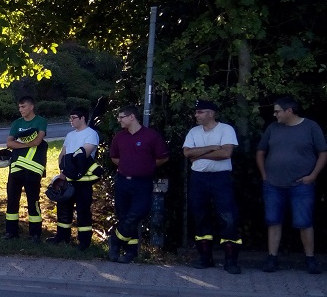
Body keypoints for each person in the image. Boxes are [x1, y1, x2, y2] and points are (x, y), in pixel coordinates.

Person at [256, 96, 327, 275]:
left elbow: (323, 153)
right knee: (273, 221)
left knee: (304, 222)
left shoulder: (311, 127)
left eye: (277, 111)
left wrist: (313, 176)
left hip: (301, 184)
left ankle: (310, 259)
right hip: (273, 183)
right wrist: (265, 175)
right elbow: (260, 151)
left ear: (289, 111)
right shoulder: (273, 128)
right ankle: (272, 258)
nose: (275, 114)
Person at [182, 100, 242, 274]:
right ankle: (204, 257)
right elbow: (187, 153)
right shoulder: (193, 131)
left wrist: (199, 154)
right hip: (198, 179)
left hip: (221, 178)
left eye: (200, 112)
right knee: (200, 216)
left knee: (228, 218)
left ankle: (231, 260)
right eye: (196, 112)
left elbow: (226, 153)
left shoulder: (226, 129)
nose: (196, 115)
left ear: (211, 113)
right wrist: (211, 148)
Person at [108, 105, 169, 263]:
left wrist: (146, 166)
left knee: (136, 214)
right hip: (123, 181)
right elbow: (114, 157)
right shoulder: (119, 137)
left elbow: (163, 157)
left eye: (121, 117)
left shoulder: (151, 136)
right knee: (124, 217)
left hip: (142, 183)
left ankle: (115, 240)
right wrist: (127, 165)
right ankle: (130, 252)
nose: (119, 120)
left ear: (132, 117)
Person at [48, 106, 102, 249]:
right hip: (67, 178)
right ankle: (62, 236)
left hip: (83, 181)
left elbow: (83, 155)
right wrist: (62, 171)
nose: (70, 120)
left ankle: (84, 241)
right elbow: (62, 155)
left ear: (82, 118)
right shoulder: (70, 135)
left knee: (83, 210)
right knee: (63, 208)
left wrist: (68, 164)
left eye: (73, 118)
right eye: (70, 118)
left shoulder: (91, 134)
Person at [3, 97, 48, 241]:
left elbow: (38, 141)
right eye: (19, 107)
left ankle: (35, 234)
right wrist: (27, 144)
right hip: (16, 168)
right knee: (12, 200)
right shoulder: (17, 123)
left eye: (23, 107)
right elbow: (9, 143)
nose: (20, 110)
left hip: (33, 169)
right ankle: (11, 232)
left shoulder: (41, 121)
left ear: (31, 107)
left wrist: (19, 143)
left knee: (33, 201)